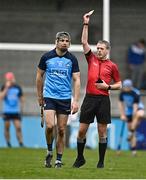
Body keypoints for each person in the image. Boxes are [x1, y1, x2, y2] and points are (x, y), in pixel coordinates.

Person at [72, 10, 122, 168]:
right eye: (98, 48)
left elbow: (119, 84)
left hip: (103, 100)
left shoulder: (112, 66)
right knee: (81, 131)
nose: (98, 50)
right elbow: (84, 43)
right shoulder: (91, 58)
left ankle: (101, 162)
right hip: (89, 98)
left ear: (107, 50)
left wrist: (107, 86)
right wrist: (85, 23)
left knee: (102, 132)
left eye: (101, 48)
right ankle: (80, 158)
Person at [36, 31, 80, 168]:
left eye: (67, 41)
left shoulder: (72, 59)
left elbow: (77, 80)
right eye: (62, 40)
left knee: (61, 129)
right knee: (50, 126)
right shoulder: (46, 57)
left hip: (65, 98)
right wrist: (39, 96)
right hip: (49, 96)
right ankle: (49, 151)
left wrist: (76, 101)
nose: (65, 43)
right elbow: (39, 77)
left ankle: (58, 160)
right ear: (56, 41)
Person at [118, 79, 145, 156]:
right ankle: (134, 151)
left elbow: (135, 108)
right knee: (132, 130)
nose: (126, 88)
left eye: (127, 87)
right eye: (125, 87)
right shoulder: (122, 93)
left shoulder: (135, 93)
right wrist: (122, 115)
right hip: (129, 111)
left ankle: (130, 132)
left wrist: (133, 119)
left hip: (138, 109)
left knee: (139, 114)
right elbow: (121, 104)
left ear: (130, 87)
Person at [0, 72, 24, 147]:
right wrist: (7, 88)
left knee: (18, 127)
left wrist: (21, 109)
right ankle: (8, 143)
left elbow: (22, 99)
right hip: (7, 111)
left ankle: (21, 143)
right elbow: (1, 97)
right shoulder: (4, 87)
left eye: (11, 79)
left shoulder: (17, 87)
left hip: (15, 111)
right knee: (7, 127)